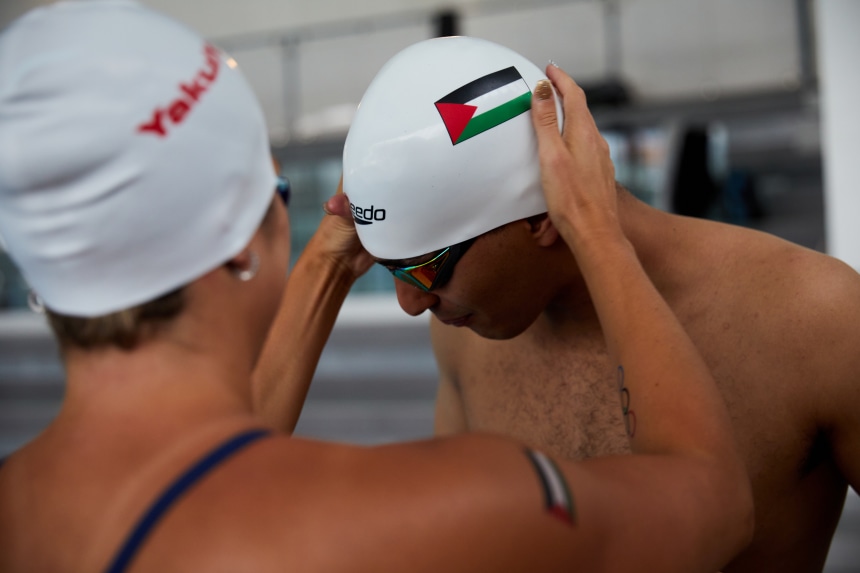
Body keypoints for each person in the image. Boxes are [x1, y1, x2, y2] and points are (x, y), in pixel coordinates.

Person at [0, 3, 752, 571]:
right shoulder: (447, 508)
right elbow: (709, 495)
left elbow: (190, 474)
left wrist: (329, 264)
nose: (411, 300)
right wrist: (595, 225)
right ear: (243, 246)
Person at [343, 36, 860, 573]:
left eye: (426, 267)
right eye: (389, 268)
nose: (410, 302)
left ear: (541, 214)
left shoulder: (814, 316)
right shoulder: (462, 333)